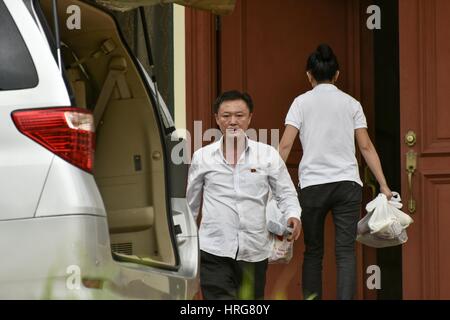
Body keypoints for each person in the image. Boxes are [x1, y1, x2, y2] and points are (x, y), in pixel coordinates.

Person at [278, 44, 392, 300]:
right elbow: (365, 146)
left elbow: (285, 145)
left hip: (312, 186)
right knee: (345, 252)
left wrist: (270, 182)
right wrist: (384, 185)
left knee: (313, 251)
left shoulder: (300, 103)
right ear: (337, 74)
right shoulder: (351, 104)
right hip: (347, 185)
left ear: (309, 75)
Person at [187, 90, 302, 300]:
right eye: (226, 116)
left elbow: (286, 193)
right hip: (214, 249)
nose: (233, 121)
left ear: (249, 118)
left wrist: (293, 215)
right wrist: (187, 245)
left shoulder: (267, 155)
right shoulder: (202, 157)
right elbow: (191, 205)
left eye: (239, 115)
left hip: (254, 250)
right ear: (216, 119)